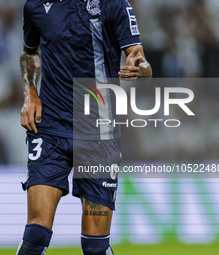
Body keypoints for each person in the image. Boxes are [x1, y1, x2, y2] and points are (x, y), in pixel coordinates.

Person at [17, 0, 152, 254]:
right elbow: (29, 52)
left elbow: (138, 55)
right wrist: (29, 91)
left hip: (99, 134)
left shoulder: (114, 4)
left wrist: (141, 67)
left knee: (94, 248)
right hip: (51, 128)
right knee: (35, 236)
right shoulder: (35, 5)